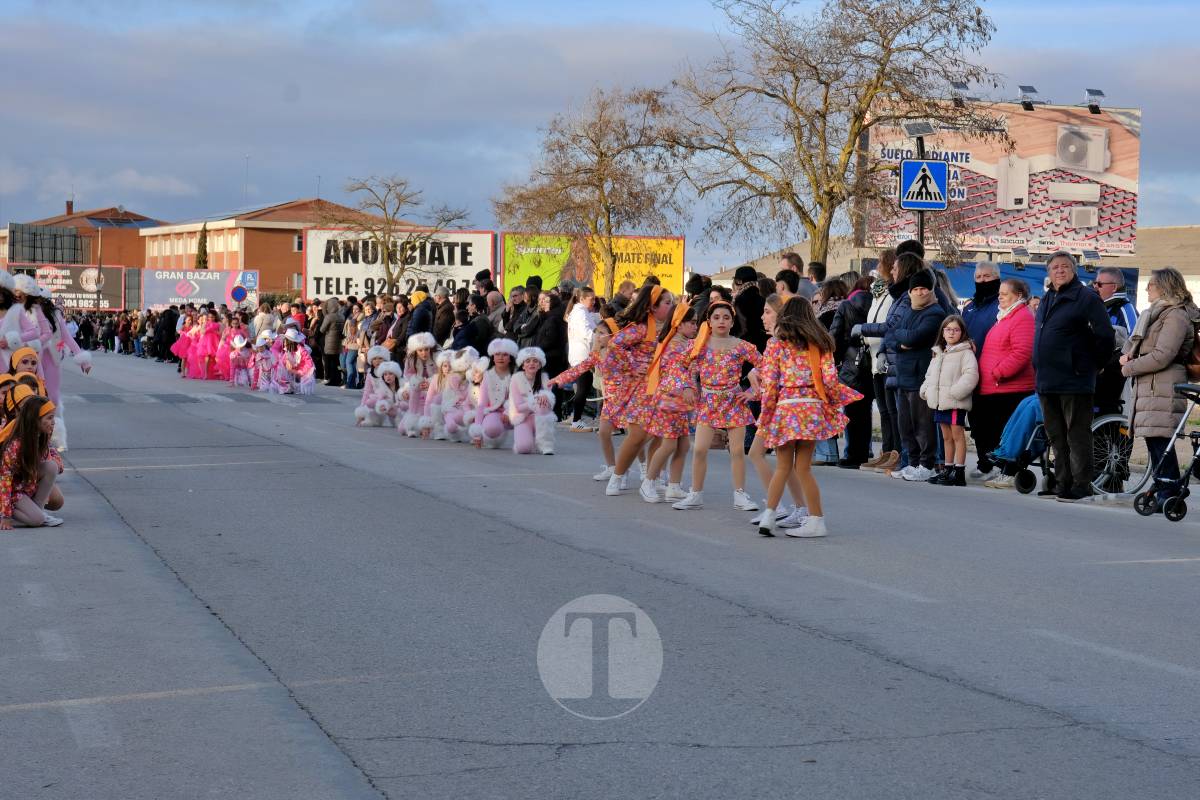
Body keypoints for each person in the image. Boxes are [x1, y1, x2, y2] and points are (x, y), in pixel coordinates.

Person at [756, 297, 861, 538]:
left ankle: (769, 515)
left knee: (782, 466)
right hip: (812, 409)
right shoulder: (820, 344)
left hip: (786, 408)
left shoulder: (776, 345)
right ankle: (816, 520)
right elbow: (830, 381)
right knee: (803, 468)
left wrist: (766, 415)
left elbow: (770, 384)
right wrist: (832, 404)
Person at [1033, 252, 1116, 502]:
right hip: (1047, 378)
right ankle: (1062, 483)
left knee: (1076, 433)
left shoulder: (1086, 297)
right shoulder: (1048, 298)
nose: (1060, 270)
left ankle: (1082, 485)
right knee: (1056, 434)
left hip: (1075, 378)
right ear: (1048, 273)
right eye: (1055, 267)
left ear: (1074, 270)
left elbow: (1105, 336)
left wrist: (1095, 365)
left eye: (1065, 266)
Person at [1119, 268, 1200, 507]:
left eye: (1151, 284)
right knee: (1155, 439)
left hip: (1162, 382)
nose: (1146, 288)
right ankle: (1165, 487)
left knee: (1161, 439)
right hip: (1152, 383)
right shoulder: (1155, 313)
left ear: (1164, 286)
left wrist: (1130, 367)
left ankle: (1170, 489)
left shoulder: (1175, 316)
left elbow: (1163, 355)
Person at [672, 301, 761, 511]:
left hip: (733, 401)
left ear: (732, 321)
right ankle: (695, 493)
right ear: (709, 322)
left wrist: (752, 391)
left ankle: (740, 495)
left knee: (737, 450)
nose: (721, 321)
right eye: (717, 317)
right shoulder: (699, 344)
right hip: (708, 401)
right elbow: (679, 366)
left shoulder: (741, 345)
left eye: (726, 317)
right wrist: (687, 386)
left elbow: (767, 367)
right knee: (700, 449)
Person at [601, 284, 675, 496]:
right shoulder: (641, 328)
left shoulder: (669, 327)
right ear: (652, 307)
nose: (671, 306)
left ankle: (653, 478)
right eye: (667, 303)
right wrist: (632, 365)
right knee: (637, 435)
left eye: (671, 302)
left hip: (664, 388)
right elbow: (615, 344)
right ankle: (617, 476)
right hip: (642, 389)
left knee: (658, 435)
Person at [975, 279, 1036, 487]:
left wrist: (999, 372)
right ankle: (1001, 469)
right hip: (994, 388)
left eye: (1005, 294)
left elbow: (1022, 352)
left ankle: (1010, 473)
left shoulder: (1023, 317)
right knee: (994, 432)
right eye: (999, 293)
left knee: (1007, 432)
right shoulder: (1004, 316)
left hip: (1010, 388)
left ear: (1018, 295)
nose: (999, 297)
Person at [890, 268, 947, 482]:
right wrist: (902, 339)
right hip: (903, 376)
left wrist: (904, 339)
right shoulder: (908, 311)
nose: (920, 292)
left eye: (924, 288)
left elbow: (915, 337)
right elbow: (893, 336)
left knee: (923, 424)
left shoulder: (935, 312)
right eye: (916, 289)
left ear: (931, 290)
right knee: (905, 425)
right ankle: (912, 463)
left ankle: (927, 464)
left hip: (920, 376)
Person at [641, 303, 699, 503]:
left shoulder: (684, 342)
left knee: (682, 446)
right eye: (691, 322)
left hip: (679, 403)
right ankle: (648, 482)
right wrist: (686, 387)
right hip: (669, 400)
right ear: (678, 323)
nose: (695, 326)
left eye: (696, 323)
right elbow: (675, 371)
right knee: (668, 445)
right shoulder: (674, 344)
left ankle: (673, 486)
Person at [919, 316, 979, 486]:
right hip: (940, 402)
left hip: (954, 402)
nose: (952, 332)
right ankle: (948, 469)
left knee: (957, 435)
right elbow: (930, 375)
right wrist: (925, 389)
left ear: (962, 332)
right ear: (943, 332)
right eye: (948, 329)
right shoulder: (938, 352)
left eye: (956, 329)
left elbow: (971, 375)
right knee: (946, 437)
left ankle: (959, 472)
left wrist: (956, 392)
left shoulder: (966, 353)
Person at [858, 249, 899, 472]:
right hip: (874, 357)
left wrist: (865, 329)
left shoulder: (892, 293)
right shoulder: (878, 292)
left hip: (886, 357)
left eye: (882, 264)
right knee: (883, 409)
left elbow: (888, 324)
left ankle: (895, 452)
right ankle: (886, 450)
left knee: (892, 410)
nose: (879, 268)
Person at [829, 275, 875, 467]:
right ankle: (865, 452)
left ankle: (854, 454)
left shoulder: (846, 306)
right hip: (873, 363)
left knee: (853, 412)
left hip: (850, 364)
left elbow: (834, 336)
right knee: (866, 413)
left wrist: (836, 360)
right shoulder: (878, 306)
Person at [0, 396, 64, 529]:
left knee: (51, 466)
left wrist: (58, 464)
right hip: (9, 490)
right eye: (49, 418)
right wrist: (5, 516)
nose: (53, 422)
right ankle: (4, 511)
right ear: (35, 421)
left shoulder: (42, 435)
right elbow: (5, 480)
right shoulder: (16, 445)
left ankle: (39, 510)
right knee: (36, 520)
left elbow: (52, 454)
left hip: (23, 486)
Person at [508, 347, 557, 455]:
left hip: (540, 416)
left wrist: (545, 397)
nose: (532, 364)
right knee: (523, 448)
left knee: (544, 401)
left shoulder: (545, 379)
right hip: (522, 418)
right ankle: (527, 438)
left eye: (535, 361)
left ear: (540, 365)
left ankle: (545, 444)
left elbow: (549, 405)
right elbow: (519, 407)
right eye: (528, 361)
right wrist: (535, 400)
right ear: (523, 365)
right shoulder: (516, 379)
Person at [565, 287, 600, 430]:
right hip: (582, 355)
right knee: (582, 388)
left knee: (583, 387)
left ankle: (576, 418)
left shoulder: (581, 312)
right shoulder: (580, 313)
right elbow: (586, 332)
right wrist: (600, 339)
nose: (593, 301)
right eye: (591, 299)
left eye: (594, 298)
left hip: (581, 354)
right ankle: (576, 420)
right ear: (582, 299)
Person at [472, 338, 518, 449]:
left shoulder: (517, 376)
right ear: (493, 357)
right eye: (497, 354)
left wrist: (508, 412)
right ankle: (497, 429)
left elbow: (519, 399)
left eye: (505, 355)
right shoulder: (487, 376)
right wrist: (477, 432)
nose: (500, 358)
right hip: (495, 413)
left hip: (516, 413)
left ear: (511, 358)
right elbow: (481, 403)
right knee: (492, 430)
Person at [532, 291, 568, 417]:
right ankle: (552, 411)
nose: (544, 304)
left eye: (547, 301)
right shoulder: (549, 316)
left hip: (552, 357)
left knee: (551, 385)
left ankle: (554, 411)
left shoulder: (553, 318)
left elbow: (551, 339)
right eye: (544, 301)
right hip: (552, 356)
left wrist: (537, 348)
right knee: (551, 385)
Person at [399, 332, 438, 437]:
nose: (424, 353)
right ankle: (413, 423)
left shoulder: (437, 358)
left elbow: (442, 377)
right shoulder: (410, 360)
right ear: (415, 350)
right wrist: (406, 390)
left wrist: (430, 383)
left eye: (426, 349)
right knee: (402, 429)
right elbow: (407, 378)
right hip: (417, 395)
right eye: (420, 350)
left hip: (433, 395)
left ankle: (428, 425)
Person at [1094, 267, 1138, 337]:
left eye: (1099, 284)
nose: (1095, 287)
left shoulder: (1125, 309)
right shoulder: (1099, 307)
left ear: (1114, 287)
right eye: (1095, 283)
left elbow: (1134, 341)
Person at [731, 266, 768, 351]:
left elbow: (739, 329)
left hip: (744, 349)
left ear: (738, 282)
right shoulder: (764, 300)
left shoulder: (738, 301)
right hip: (763, 347)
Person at [355, 345, 392, 427]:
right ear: (371, 361)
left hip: (390, 399)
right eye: (374, 359)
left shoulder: (390, 371)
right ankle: (373, 419)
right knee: (369, 402)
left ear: (385, 359)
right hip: (376, 399)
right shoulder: (370, 374)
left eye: (380, 358)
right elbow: (367, 392)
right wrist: (362, 409)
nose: (377, 361)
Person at [271, 329, 316, 395]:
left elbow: (309, 363)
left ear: (290, 342)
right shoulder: (287, 351)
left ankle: (297, 386)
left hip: (302, 370)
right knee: (281, 368)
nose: (284, 343)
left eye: (285, 341)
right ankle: (287, 386)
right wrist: (286, 361)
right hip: (292, 370)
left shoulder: (301, 350)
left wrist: (300, 372)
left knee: (303, 383)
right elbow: (282, 362)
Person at [318, 297, 344, 387]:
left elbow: (322, 329)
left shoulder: (329, 317)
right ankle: (338, 379)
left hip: (329, 340)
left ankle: (332, 380)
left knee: (330, 361)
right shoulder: (342, 316)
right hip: (339, 340)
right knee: (337, 361)